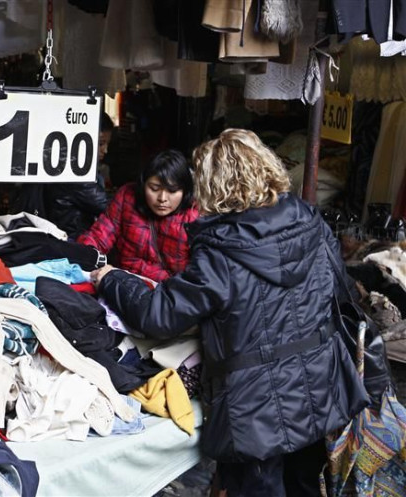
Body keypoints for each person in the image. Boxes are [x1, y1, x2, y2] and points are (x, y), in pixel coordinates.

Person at [90, 129, 367, 496]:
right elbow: (339, 291)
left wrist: (112, 279)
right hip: (319, 387)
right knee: (304, 485)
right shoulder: (309, 221)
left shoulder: (222, 249)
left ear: (211, 185)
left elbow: (158, 315)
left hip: (255, 409)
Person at [77, 149, 199, 282]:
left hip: (168, 294)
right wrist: (83, 257)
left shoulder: (195, 217)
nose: (162, 198)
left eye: (172, 190)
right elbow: (99, 235)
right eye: (154, 188)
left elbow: (200, 275)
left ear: (185, 190)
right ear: (143, 184)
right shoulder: (127, 198)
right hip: (123, 284)